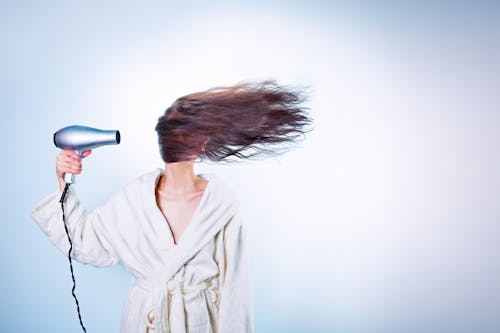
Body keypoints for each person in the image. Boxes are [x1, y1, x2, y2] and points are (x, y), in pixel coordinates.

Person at [31, 80, 313, 333]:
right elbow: (83, 242)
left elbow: (235, 294)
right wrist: (63, 182)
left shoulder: (220, 207)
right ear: (203, 143)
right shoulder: (134, 201)